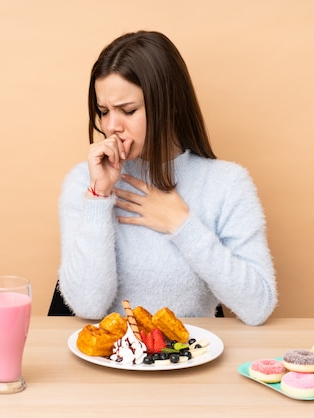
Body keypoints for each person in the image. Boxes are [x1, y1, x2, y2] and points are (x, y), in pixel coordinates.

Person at [57, 30, 277, 326]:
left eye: (128, 110)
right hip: (109, 365)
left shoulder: (227, 184)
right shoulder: (84, 180)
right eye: (103, 111)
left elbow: (258, 305)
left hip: (190, 362)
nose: (111, 126)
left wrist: (182, 224)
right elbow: (88, 305)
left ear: (170, 104)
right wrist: (99, 198)